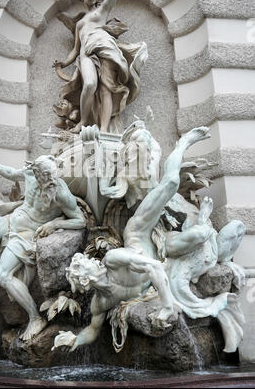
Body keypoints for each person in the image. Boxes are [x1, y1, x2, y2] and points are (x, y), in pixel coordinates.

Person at [54, 127, 211, 351]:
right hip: (160, 249)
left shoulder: (111, 259)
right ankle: (200, 219)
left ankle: (183, 143)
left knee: (170, 184)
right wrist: (75, 339)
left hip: (138, 231)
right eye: (82, 271)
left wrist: (167, 306)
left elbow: (154, 267)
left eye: (83, 266)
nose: (90, 264)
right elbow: (93, 329)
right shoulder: (100, 302)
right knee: (197, 235)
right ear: (85, 282)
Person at [0, 155, 86, 341]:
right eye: (46, 175)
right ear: (36, 172)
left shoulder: (60, 192)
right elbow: (10, 172)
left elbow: (80, 220)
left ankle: (35, 317)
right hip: (10, 221)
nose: (51, 179)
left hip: (25, 236)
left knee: (1, 275)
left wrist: (53, 224)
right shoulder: (29, 173)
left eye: (52, 174)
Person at [54, 0, 147, 133]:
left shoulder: (102, 11)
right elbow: (75, 49)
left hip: (106, 48)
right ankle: (84, 121)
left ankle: (104, 130)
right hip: (86, 54)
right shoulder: (80, 25)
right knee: (89, 84)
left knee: (106, 89)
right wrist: (63, 63)